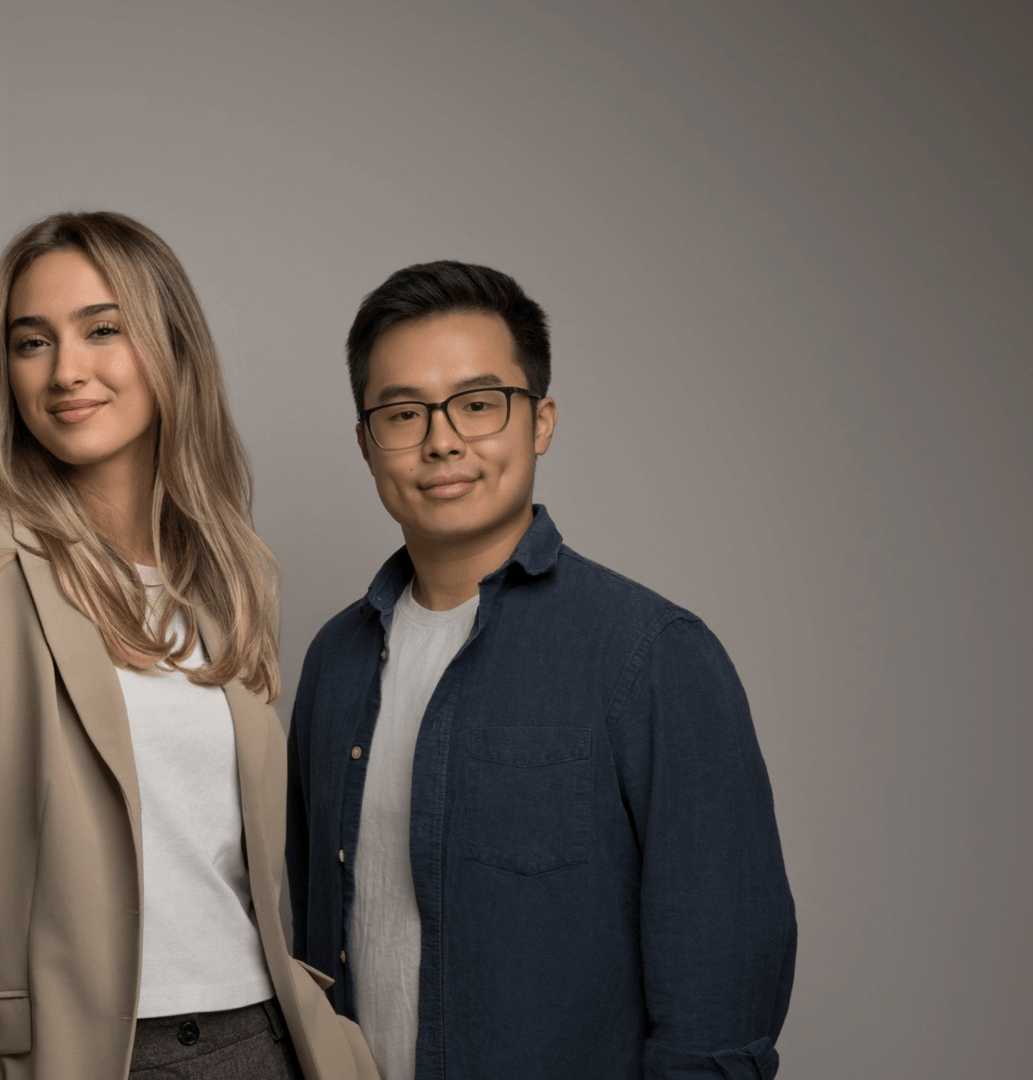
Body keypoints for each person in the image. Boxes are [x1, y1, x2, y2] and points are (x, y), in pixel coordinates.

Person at [0, 212, 378, 1080]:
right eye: (32, 342)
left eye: (103, 330)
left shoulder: (225, 583)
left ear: (172, 348)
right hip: (94, 1056)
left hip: (262, 1043)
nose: (66, 370)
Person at [286, 262, 796, 1080]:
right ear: (366, 442)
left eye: (478, 403)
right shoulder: (334, 663)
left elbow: (721, 988)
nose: (442, 440)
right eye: (403, 413)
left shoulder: (654, 654)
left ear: (541, 421)